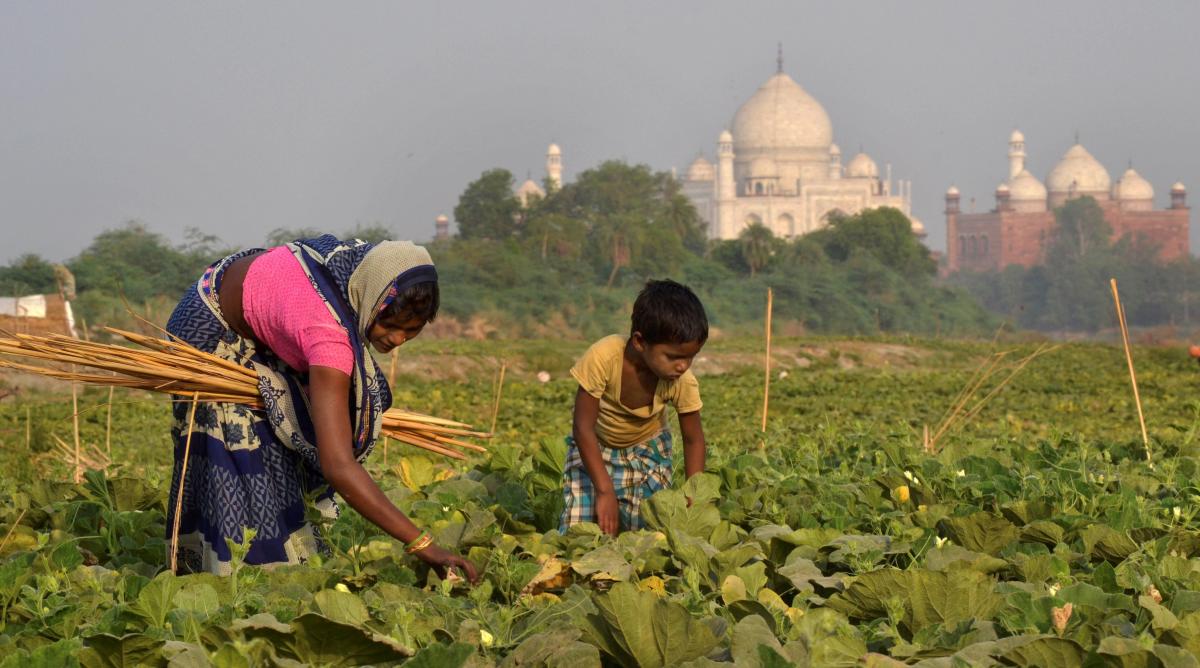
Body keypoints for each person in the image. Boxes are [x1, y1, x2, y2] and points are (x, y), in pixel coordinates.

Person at [164, 234, 478, 581]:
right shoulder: (328, 337)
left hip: (263, 312)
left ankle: (288, 552)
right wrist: (425, 545)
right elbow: (338, 466)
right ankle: (234, 574)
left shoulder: (354, 266)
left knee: (297, 424)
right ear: (370, 299)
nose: (397, 339)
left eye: (412, 330)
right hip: (208, 326)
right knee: (244, 452)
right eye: (389, 325)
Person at [560, 279, 708, 535]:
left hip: (647, 453)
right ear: (640, 342)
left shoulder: (682, 381)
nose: (683, 366)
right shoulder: (603, 358)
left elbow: (693, 440)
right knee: (577, 532)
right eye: (673, 357)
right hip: (594, 448)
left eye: (690, 357)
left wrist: (694, 495)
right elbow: (582, 427)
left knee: (647, 535)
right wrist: (604, 490)